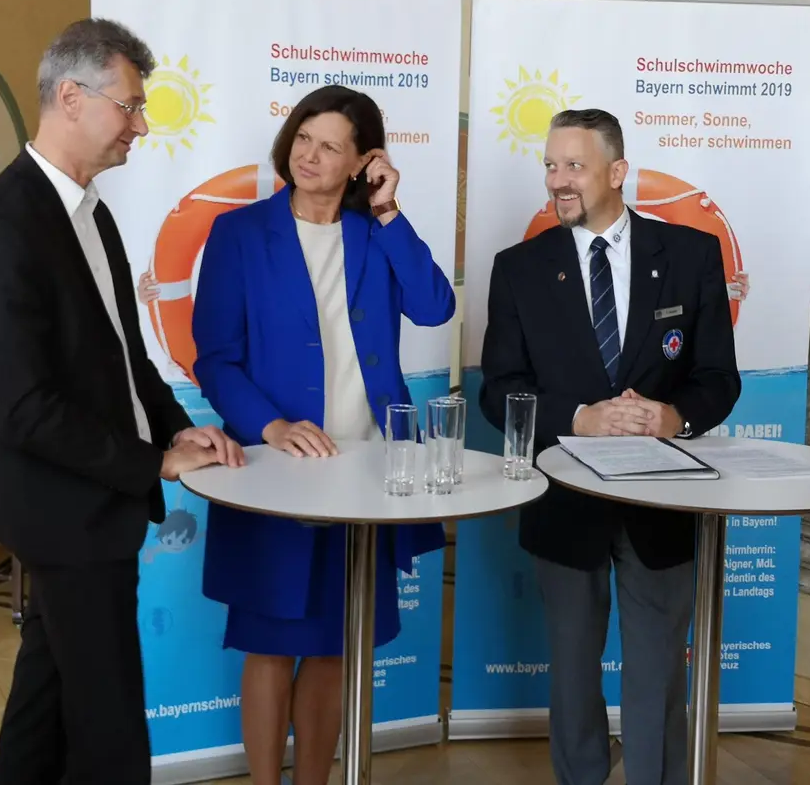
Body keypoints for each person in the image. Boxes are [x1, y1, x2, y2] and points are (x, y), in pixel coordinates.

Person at [0, 17, 245, 785]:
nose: (141, 126)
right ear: (71, 97)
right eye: (131, 106)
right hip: (60, 511)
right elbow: (23, 409)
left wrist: (185, 430)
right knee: (109, 729)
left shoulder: (93, 212)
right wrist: (155, 464)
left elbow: (123, 356)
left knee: (45, 699)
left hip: (90, 500)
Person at [191, 84, 455, 785]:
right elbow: (214, 356)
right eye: (303, 138)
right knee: (270, 644)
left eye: (330, 145)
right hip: (272, 471)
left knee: (339, 645)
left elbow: (435, 307)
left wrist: (391, 210)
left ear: (363, 161)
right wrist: (269, 426)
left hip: (364, 473)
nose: (309, 155)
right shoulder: (239, 234)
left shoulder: (377, 233)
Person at [478, 108, 741, 785]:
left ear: (618, 171)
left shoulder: (688, 257)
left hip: (663, 502)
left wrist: (673, 417)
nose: (558, 180)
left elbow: (719, 378)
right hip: (564, 504)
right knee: (572, 671)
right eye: (550, 165)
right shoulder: (518, 270)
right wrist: (576, 418)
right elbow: (497, 388)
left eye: (575, 166)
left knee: (657, 672)